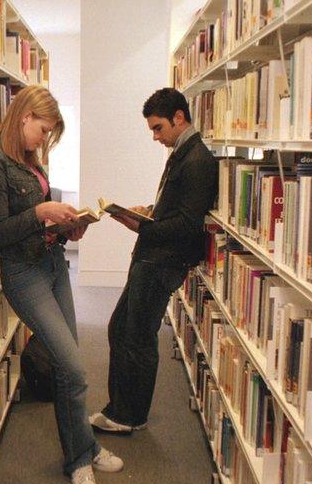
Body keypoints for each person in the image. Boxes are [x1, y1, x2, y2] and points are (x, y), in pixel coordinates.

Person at [0, 85, 123, 484]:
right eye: (43, 130)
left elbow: (38, 216)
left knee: (67, 367)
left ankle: (85, 448)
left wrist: (65, 227)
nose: (44, 140)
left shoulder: (28, 158)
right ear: (24, 118)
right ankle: (78, 460)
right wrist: (40, 212)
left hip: (53, 263)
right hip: (25, 274)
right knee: (74, 367)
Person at [90, 87, 218, 434]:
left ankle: (129, 416)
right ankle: (120, 408)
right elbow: (175, 209)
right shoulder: (183, 152)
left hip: (163, 262)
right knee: (121, 328)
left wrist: (143, 226)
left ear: (179, 118)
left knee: (138, 337)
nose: (155, 136)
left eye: (158, 127)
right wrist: (148, 213)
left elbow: (188, 225)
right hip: (151, 257)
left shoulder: (198, 160)